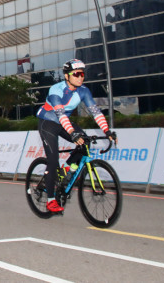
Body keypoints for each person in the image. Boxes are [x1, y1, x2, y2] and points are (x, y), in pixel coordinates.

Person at [36, 59, 117, 213]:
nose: (80, 77)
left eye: (82, 74)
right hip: (48, 123)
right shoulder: (56, 90)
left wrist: (107, 131)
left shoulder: (84, 91)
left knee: (85, 142)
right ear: (67, 76)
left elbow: (96, 112)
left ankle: (69, 169)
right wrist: (72, 133)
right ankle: (51, 200)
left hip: (64, 122)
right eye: (76, 74)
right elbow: (61, 115)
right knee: (53, 160)